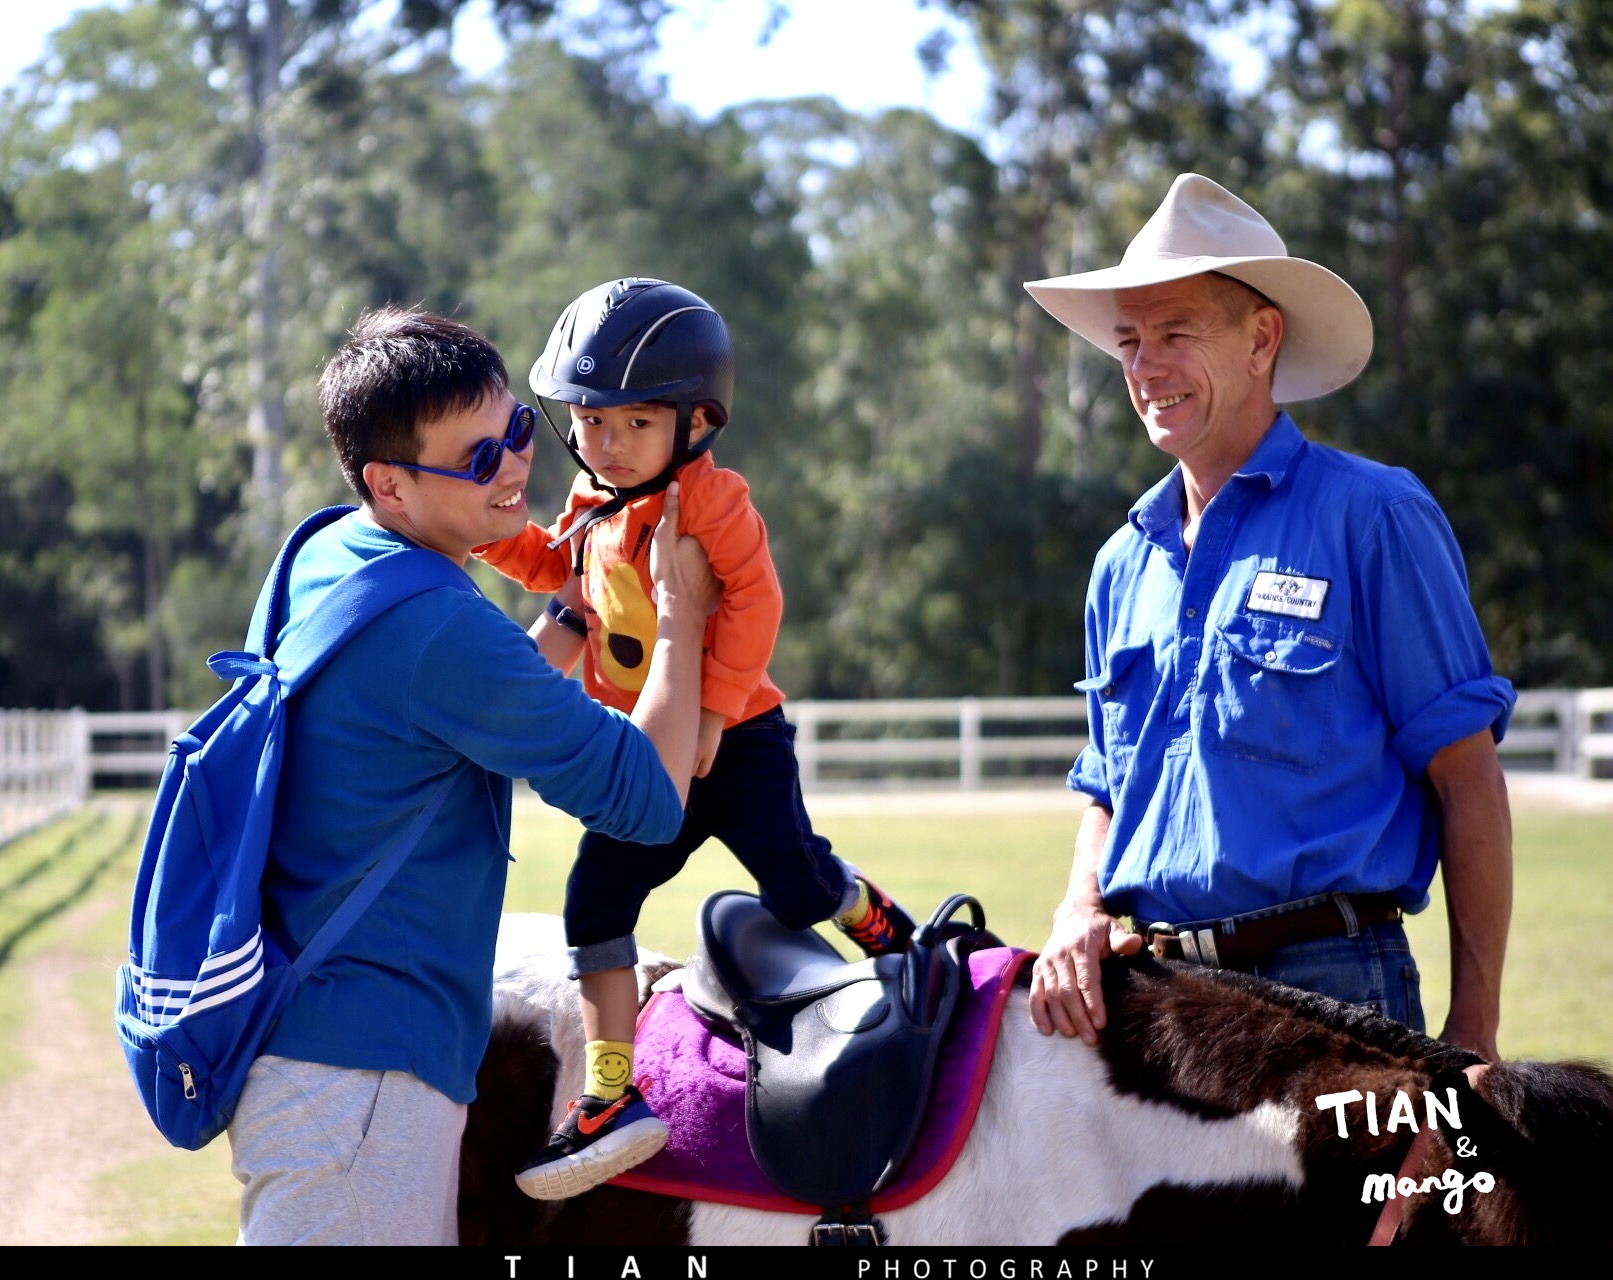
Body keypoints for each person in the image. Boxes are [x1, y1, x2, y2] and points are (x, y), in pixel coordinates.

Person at [227, 306, 718, 1245]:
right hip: (367, 1084)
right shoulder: (442, 631)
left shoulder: (331, 549)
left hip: (315, 1052)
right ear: (391, 483)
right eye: (474, 456)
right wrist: (679, 614)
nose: (515, 467)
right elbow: (648, 800)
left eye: (517, 431)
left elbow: (449, 719)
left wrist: (572, 622)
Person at [1020, 174, 1516, 1063]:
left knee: (1378, 1212)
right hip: (1155, 1006)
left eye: (1175, 333)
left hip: (1332, 995)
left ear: (1261, 339)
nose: (1144, 367)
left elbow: (1466, 778)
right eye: (1129, 341)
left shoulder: (1374, 518)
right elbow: (1105, 787)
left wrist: (1471, 1033)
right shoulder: (1119, 562)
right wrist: (1076, 908)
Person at [473, 276, 917, 1199]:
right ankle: (606, 1092)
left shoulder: (713, 504)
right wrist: (479, 533)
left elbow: (757, 601)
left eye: (635, 424)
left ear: (696, 421)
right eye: (590, 422)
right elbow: (555, 566)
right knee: (592, 905)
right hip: (646, 753)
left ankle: (862, 907)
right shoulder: (593, 503)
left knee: (795, 891)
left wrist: (713, 711)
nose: (606, 443)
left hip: (739, 743)